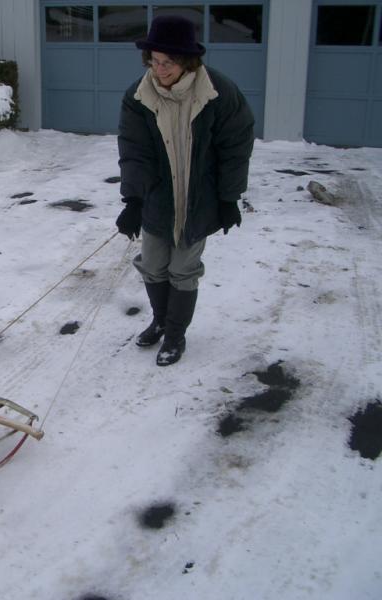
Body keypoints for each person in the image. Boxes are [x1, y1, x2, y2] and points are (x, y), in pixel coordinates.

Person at [116, 15, 254, 366]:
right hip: (158, 197)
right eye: (154, 61)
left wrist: (229, 198)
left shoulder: (218, 93)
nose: (160, 70)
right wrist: (133, 200)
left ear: (187, 61)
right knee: (153, 265)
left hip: (199, 199)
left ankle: (175, 336)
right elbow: (134, 151)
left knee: (183, 270)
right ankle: (161, 321)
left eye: (169, 62)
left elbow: (235, 147)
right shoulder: (138, 96)